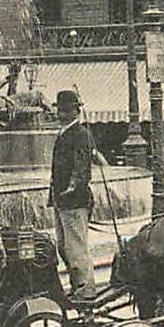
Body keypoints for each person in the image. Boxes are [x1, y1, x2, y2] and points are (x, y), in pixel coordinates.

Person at [50, 89, 97, 301]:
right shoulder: (63, 133)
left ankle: (86, 290)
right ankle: (76, 285)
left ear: (75, 111)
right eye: (60, 110)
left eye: (65, 110)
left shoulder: (80, 134)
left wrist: (73, 186)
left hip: (74, 200)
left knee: (76, 247)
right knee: (64, 247)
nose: (60, 114)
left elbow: (82, 167)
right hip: (61, 200)